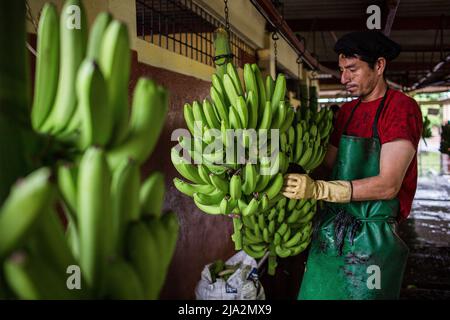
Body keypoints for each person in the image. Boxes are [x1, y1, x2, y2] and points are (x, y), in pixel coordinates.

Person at [282, 30, 423, 300]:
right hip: (332, 230)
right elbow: (327, 166)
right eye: (341, 69)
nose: (344, 78)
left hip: (373, 235)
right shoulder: (347, 112)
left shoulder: (400, 108)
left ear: (379, 66)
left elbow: (388, 185)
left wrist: (320, 190)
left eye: (352, 69)